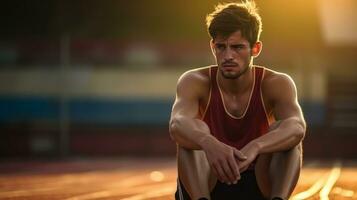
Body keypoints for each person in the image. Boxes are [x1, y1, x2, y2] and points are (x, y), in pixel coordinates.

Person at [169, 1, 306, 200]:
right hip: (210, 181)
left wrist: (255, 147)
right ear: (212, 47)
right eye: (221, 47)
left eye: (237, 47)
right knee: (192, 133)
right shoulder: (194, 81)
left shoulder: (276, 83)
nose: (228, 56)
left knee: (287, 137)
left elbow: (297, 128)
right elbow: (176, 124)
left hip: (258, 181)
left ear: (255, 48)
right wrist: (208, 143)